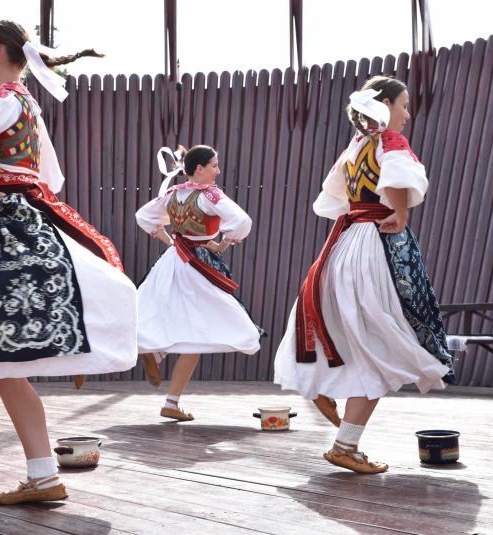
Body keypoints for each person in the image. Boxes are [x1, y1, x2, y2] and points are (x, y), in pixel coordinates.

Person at [0, 20, 137, 505]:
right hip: (30, 217)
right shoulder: (27, 106)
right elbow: (49, 178)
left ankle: (43, 473)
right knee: (2, 356)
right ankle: (43, 474)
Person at [273, 75, 452, 474]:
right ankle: (345, 445)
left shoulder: (355, 147)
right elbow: (400, 173)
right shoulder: (388, 141)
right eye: (404, 104)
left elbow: (333, 195)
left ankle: (321, 390)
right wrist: (401, 212)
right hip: (374, 245)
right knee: (384, 342)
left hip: (345, 245)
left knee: (353, 332)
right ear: (385, 104)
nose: (407, 114)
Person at [135, 145, 264, 421]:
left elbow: (143, 216)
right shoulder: (210, 194)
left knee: (170, 315)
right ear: (199, 169)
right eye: (214, 166)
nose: (218, 171)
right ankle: (168, 393)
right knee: (200, 330)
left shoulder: (173, 192)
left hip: (172, 261)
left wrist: (169, 241)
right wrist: (222, 245)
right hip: (198, 262)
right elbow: (242, 220)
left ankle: (155, 356)